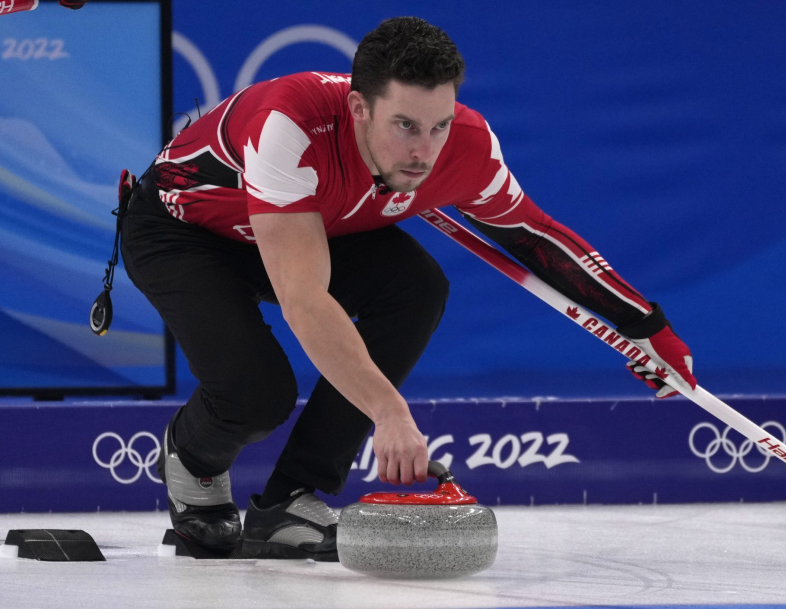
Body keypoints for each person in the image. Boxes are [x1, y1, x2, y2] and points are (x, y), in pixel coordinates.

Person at [119, 16, 696, 560]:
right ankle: (194, 459)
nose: (425, 150)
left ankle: (290, 500)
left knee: (416, 288)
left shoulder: (467, 146)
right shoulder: (291, 124)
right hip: (185, 234)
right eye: (405, 126)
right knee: (257, 396)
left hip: (316, 222)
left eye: (438, 125)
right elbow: (304, 299)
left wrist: (645, 327)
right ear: (359, 109)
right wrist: (390, 414)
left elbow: (535, 238)